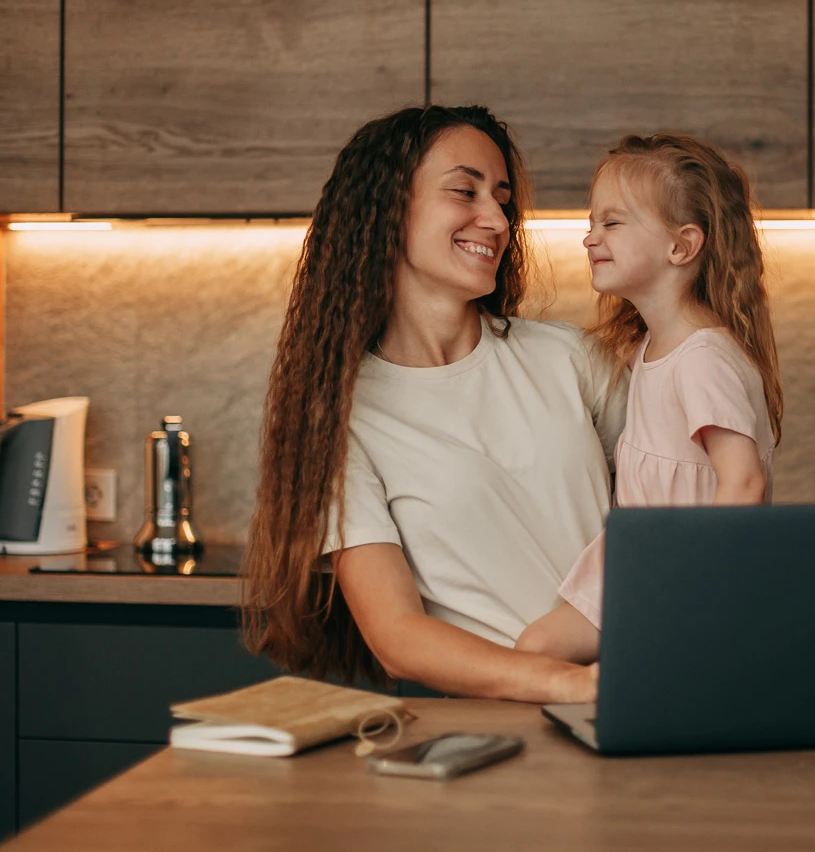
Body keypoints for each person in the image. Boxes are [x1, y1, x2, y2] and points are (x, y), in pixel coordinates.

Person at [241, 105, 622, 703]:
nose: (496, 219)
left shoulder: (570, 358)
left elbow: (682, 498)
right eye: (464, 192)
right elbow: (398, 635)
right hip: (499, 725)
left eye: (501, 198)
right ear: (388, 210)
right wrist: (578, 685)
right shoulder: (342, 420)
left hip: (639, 694)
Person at [514, 133, 783, 664]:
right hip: (641, 564)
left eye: (612, 222)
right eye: (592, 223)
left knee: (537, 653)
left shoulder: (702, 358)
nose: (590, 237)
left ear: (681, 246)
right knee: (537, 653)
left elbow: (744, 481)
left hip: (680, 578)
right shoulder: (653, 350)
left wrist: (685, 595)